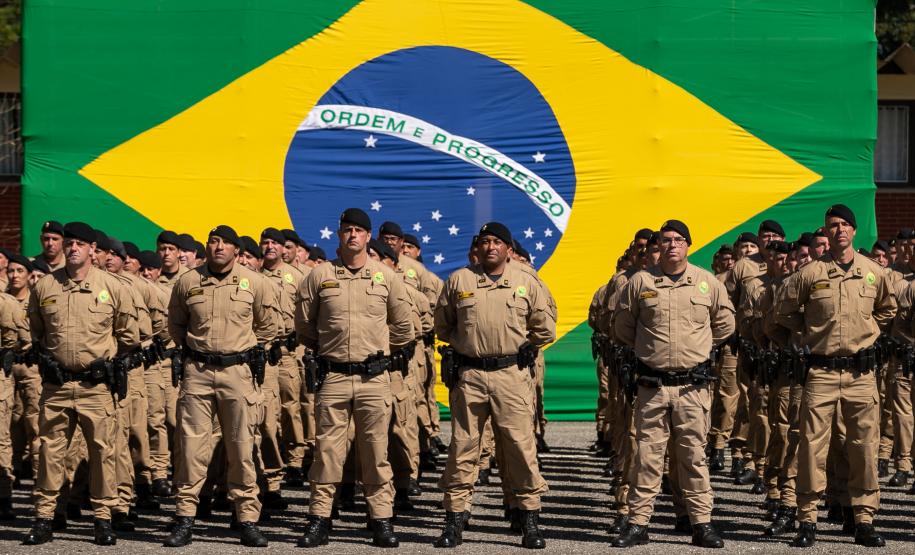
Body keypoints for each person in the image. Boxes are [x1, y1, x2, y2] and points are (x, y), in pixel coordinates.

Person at [776, 204, 896, 548]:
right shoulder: (810, 274)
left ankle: (863, 519)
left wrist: (867, 332)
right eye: (833, 225)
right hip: (821, 372)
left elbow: (887, 309)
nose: (839, 230)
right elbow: (784, 313)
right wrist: (813, 332)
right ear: (825, 233)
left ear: (854, 231)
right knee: (812, 447)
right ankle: (808, 519)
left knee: (863, 447)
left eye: (845, 224)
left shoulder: (874, 272)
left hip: (861, 374)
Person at [611, 219, 734, 549]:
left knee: (693, 457)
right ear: (659, 246)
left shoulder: (707, 284)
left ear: (688, 245)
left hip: (692, 387)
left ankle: (701, 524)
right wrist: (651, 352)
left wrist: (695, 351)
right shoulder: (640, 282)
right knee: (647, 457)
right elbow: (622, 328)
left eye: (679, 239)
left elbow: (724, 326)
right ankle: (638, 524)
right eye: (665, 240)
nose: (672, 245)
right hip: (652, 386)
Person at [432, 222, 555, 550]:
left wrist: (526, 346)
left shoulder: (526, 281)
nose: (490, 247)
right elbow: (443, 326)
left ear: (507, 247)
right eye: (485, 241)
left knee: (519, 447)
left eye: (497, 242)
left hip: (511, 376)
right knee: (463, 448)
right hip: (470, 377)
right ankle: (455, 520)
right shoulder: (460, 280)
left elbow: (545, 327)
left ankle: (529, 519)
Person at [295, 208, 414, 549]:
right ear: (339, 235)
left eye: (358, 231)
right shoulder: (319, 276)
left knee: (376, 452)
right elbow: (304, 325)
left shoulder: (385, 277)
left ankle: (380, 520)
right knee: (327, 452)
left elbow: (404, 326)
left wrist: (376, 350)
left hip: (374, 378)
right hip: (333, 376)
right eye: (346, 230)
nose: (352, 236)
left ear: (367, 236)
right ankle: (320, 519)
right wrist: (328, 348)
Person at [23, 222, 140, 546]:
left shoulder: (113, 287)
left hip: (95, 388)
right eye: (70, 243)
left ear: (92, 250)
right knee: (49, 453)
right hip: (57, 387)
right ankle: (45, 517)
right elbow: (35, 331)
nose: (73, 248)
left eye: (80, 244)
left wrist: (113, 364)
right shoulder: (46, 286)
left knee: (103, 455)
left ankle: (103, 518)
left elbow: (129, 336)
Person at [162, 225, 278, 548]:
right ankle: (185, 518)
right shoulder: (188, 281)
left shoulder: (254, 283)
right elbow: (176, 324)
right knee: (190, 448)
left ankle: (247, 520)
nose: (218, 247)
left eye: (225, 243)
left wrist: (244, 350)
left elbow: (267, 326)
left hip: (238, 373)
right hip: (197, 371)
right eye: (213, 241)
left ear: (237, 252)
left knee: (242, 448)